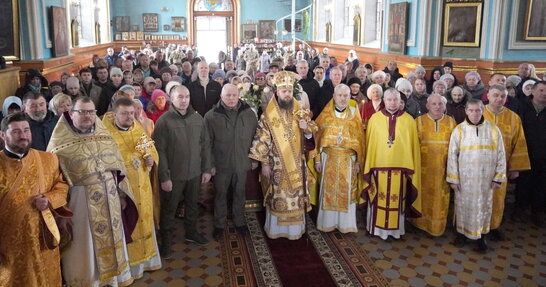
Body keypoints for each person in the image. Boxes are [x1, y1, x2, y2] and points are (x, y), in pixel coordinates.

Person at [47, 97, 138, 286]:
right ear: (72, 114)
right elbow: (54, 181)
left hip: (110, 200)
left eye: (91, 112)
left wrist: (121, 194)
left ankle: (113, 279)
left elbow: (118, 168)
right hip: (80, 206)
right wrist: (61, 212)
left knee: (112, 241)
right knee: (85, 248)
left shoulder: (104, 136)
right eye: (82, 112)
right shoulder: (59, 144)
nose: (87, 116)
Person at [0, 113, 70, 287]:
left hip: (43, 239)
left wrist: (49, 199)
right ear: (3, 135)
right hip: (11, 247)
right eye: (16, 131)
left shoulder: (48, 159)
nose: (23, 135)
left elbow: (61, 187)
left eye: (26, 130)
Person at [248, 71, 317, 240]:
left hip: (297, 164)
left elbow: (310, 138)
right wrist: (264, 163)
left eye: (289, 91)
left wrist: (306, 129)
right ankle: (277, 229)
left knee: (296, 197)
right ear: (277, 92)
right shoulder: (268, 115)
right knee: (278, 196)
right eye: (283, 91)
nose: (287, 94)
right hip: (276, 164)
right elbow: (262, 138)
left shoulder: (301, 112)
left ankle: (295, 230)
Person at [103, 97, 162, 279]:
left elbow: (150, 151)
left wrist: (150, 161)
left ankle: (148, 262)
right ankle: (130, 269)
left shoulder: (138, 128)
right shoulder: (106, 134)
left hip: (142, 186)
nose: (130, 117)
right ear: (114, 114)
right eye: (125, 113)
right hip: (124, 190)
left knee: (145, 221)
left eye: (132, 112)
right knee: (129, 225)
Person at [153, 85, 212, 256]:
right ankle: (167, 239)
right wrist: (164, 177)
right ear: (171, 98)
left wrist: (206, 169)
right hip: (174, 175)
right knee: (169, 208)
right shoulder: (164, 121)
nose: (184, 100)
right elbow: (160, 151)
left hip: (194, 173)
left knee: (192, 205)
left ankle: (191, 233)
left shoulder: (197, 118)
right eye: (180, 97)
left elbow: (205, 145)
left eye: (186, 96)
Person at [447, 99, 506, 253]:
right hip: (465, 180)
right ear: (466, 111)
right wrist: (453, 179)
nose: (474, 114)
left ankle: (481, 237)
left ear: (482, 110)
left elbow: (501, 154)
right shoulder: (459, 130)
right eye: (471, 110)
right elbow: (452, 155)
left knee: (484, 207)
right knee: (463, 206)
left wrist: (498, 177)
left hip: (486, 180)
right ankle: (462, 235)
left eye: (478, 110)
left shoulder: (493, 130)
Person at [362, 88, 422, 240]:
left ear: (400, 101)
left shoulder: (409, 120)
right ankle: (375, 229)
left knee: (398, 200)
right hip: (378, 166)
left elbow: (412, 146)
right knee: (377, 197)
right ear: (384, 100)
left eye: (396, 100)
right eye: (389, 100)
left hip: (400, 168)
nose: (392, 103)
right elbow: (370, 144)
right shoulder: (375, 119)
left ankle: (396, 232)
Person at [204, 84, 258, 240]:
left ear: (239, 95)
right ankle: (219, 225)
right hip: (221, 165)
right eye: (228, 95)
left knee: (240, 194)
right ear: (221, 96)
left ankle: (240, 221)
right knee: (220, 194)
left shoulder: (249, 114)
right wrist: (210, 165)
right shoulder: (211, 116)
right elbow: (206, 143)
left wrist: (255, 159)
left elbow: (256, 138)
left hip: (242, 163)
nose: (231, 98)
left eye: (234, 95)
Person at [309, 84, 365, 233]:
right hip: (329, 158)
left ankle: (345, 225)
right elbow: (316, 138)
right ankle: (327, 223)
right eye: (340, 95)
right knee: (327, 191)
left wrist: (359, 161)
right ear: (334, 96)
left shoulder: (354, 113)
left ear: (349, 97)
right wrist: (318, 160)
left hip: (348, 160)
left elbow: (360, 140)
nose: (342, 98)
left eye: (346, 96)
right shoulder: (325, 114)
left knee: (346, 192)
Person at [483, 85, 530, 240]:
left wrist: (515, 167)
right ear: (488, 96)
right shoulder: (477, 112)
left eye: (502, 96)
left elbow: (519, 143)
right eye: (495, 95)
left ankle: (494, 226)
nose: (499, 99)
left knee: (497, 198)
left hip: (501, 167)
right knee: (478, 197)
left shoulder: (513, 118)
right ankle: (474, 228)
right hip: (478, 166)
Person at [409, 95, 456, 236]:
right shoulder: (418, 122)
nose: (437, 107)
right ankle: (419, 224)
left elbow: (456, 147)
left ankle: (437, 227)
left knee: (441, 199)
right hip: (422, 169)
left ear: (444, 106)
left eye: (440, 104)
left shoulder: (451, 122)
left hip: (443, 169)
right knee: (421, 196)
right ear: (427, 106)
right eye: (434, 104)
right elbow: (411, 146)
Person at [514, 81, 546, 227]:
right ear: (532, 91)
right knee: (523, 183)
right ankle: (520, 208)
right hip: (525, 152)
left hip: (543, 155)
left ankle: (537, 211)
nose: (544, 93)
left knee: (541, 184)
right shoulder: (521, 106)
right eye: (541, 90)